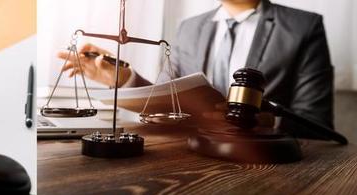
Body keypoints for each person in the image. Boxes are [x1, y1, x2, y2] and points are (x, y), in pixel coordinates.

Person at [59, 0, 334, 136]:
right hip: (191, 154)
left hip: (266, 164)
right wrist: (125, 79)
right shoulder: (189, 28)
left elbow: (318, 123)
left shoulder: (303, 27)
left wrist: (272, 122)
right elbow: (168, 100)